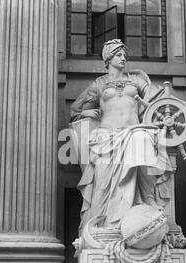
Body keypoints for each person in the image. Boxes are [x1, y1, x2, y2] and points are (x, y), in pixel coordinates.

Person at [70, 39, 173, 236]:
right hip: (106, 137)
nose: (123, 58)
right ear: (108, 57)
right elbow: (75, 108)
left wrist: (167, 112)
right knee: (101, 181)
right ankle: (100, 222)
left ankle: (147, 199)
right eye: (118, 54)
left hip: (134, 131)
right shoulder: (99, 84)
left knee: (142, 140)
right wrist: (86, 113)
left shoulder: (137, 81)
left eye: (124, 55)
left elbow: (157, 99)